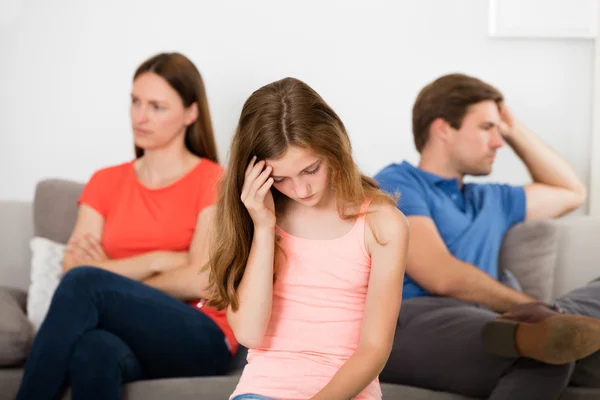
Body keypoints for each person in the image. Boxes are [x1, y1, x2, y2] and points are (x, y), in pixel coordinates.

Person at [16, 52, 237, 400]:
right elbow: (73, 267)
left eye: (156, 106)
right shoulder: (105, 182)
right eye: (135, 102)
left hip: (199, 335)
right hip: (130, 338)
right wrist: (159, 260)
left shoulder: (213, 180)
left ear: (190, 113)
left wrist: (108, 279)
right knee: (93, 348)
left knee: (89, 285)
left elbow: (203, 278)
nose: (140, 116)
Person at [374, 73, 600, 400]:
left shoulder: (492, 199)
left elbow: (572, 192)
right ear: (442, 129)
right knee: (544, 354)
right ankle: (548, 326)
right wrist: (533, 307)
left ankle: (555, 325)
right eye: (486, 128)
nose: (498, 142)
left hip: (488, 322)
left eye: (499, 130)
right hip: (416, 319)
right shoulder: (398, 182)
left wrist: (513, 127)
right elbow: (440, 276)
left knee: (553, 338)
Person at [204, 77, 409, 400]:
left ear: (335, 148)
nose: (301, 190)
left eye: (311, 170)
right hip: (264, 389)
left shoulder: (382, 223)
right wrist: (263, 226)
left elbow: (374, 348)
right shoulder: (257, 216)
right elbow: (250, 333)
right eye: (281, 178)